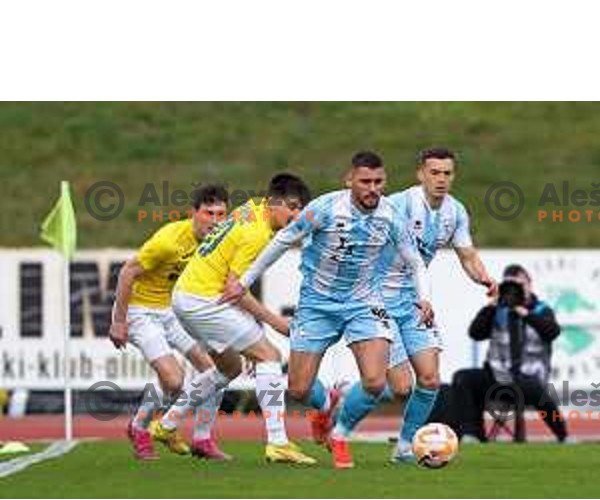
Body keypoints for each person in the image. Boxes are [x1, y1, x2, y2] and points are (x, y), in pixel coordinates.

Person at [221, 152, 434, 469]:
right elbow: (281, 241)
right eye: (365, 181)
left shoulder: (390, 215)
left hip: (364, 302)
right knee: (298, 388)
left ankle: (340, 435)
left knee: (376, 382)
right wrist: (245, 281)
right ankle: (325, 405)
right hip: (317, 305)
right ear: (349, 181)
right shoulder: (323, 208)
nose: (372, 188)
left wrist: (424, 298)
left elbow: (415, 261)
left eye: (378, 181)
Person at [156, 173, 317, 465]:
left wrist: (250, 333)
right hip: (203, 300)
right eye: (290, 207)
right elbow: (237, 290)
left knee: (228, 369)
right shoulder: (257, 234)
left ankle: (166, 425)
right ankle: (278, 442)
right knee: (270, 355)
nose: (295, 216)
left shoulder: (251, 207)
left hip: (188, 295)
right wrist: (277, 323)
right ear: (273, 202)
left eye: (299, 210)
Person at [382, 147, 497, 463]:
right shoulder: (398, 204)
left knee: (430, 378)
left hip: (415, 301)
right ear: (420, 174)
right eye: (434, 172)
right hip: (377, 300)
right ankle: (342, 410)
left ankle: (405, 447)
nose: (441, 179)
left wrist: (485, 279)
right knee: (400, 386)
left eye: (447, 173)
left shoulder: (455, 212)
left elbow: (468, 255)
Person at [109, 185, 230, 461]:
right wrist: (118, 321)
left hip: (172, 309)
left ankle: (202, 438)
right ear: (193, 214)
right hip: (140, 311)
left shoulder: (220, 241)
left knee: (217, 371)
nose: (214, 221)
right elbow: (127, 272)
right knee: (174, 380)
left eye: (220, 214)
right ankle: (139, 427)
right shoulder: (169, 240)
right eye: (208, 213)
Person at [453, 264, 568, 442]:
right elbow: (475, 333)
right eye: (510, 286)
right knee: (463, 378)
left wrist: (525, 312)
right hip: (497, 377)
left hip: (528, 379)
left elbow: (552, 332)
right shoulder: (497, 310)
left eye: (520, 285)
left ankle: (563, 436)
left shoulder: (541, 310)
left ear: (529, 285)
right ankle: (473, 434)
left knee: (540, 392)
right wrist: (491, 306)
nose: (515, 291)